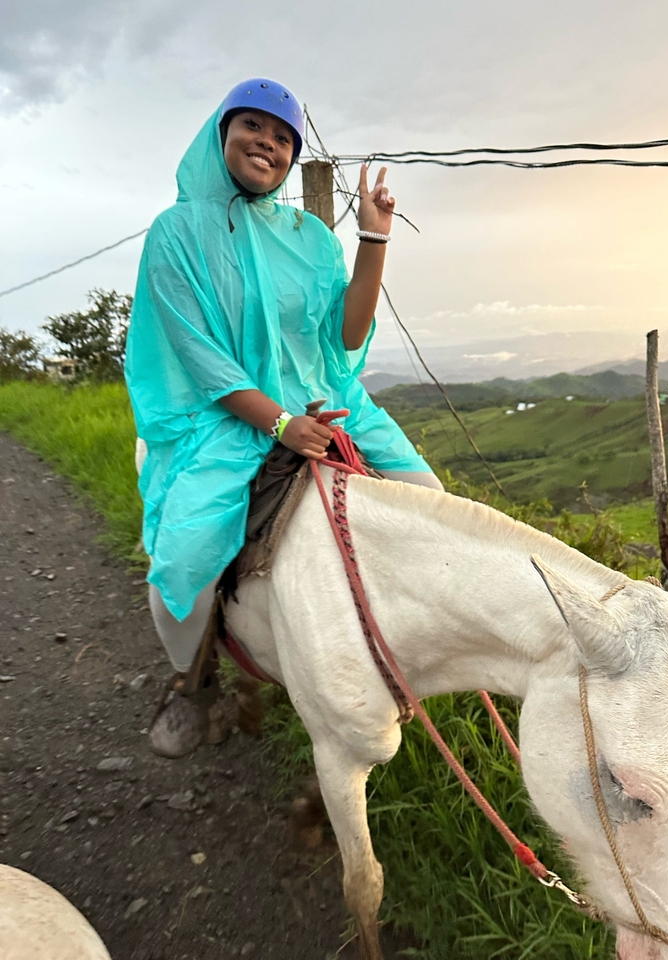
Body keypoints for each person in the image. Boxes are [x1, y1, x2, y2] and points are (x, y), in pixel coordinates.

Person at [125, 78, 443, 757]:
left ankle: (397, 660)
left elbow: (348, 336)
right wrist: (279, 425)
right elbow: (199, 354)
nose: (266, 142)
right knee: (183, 565)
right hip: (230, 417)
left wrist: (372, 237)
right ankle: (190, 678)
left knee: (430, 503)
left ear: (292, 157)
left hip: (331, 399)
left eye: (283, 137)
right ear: (221, 133)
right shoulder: (177, 231)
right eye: (252, 126)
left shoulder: (310, 236)